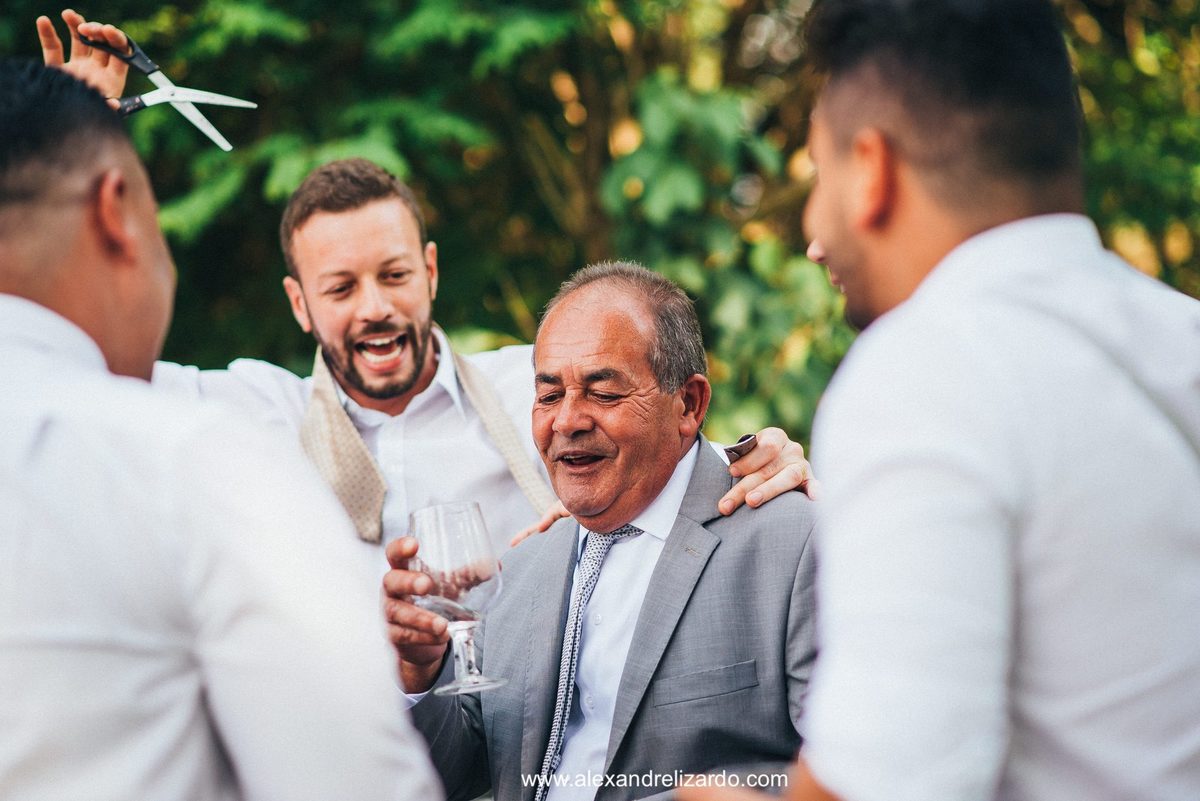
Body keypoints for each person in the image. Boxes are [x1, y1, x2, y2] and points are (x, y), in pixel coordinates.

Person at [34, 11, 819, 564]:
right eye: (340, 287)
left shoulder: (540, 393)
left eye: (395, 274)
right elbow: (64, 365)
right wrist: (75, 140)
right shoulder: (247, 413)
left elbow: (693, 462)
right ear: (299, 305)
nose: (375, 305)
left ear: (432, 272)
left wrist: (770, 458)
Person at [682, 2, 1200, 801]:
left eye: (819, 176)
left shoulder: (926, 368)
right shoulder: (1181, 336)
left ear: (874, 171)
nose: (814, 237)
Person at [0, 59, 442, 800]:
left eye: (393, 275)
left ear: (429, 272)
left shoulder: (522, 382)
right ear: (116, 210)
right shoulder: (199, 457)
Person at [385, 262, 819, 801]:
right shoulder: (521, 569)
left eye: (603, 393)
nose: (567, 420)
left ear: (689, 404)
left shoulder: (793, 543)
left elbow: (863, 770)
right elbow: (457, 776)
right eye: (549, 395)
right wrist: (419, 674)